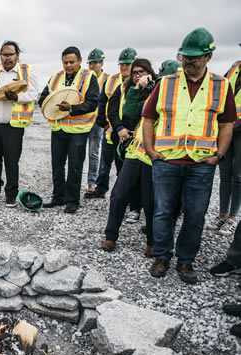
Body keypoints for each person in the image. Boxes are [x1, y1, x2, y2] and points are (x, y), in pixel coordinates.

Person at [143, 28, 237, 284]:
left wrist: (219, 154)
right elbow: (149, 118)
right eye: (185, 56)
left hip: (201, 164)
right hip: (167, 161)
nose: (188, 61)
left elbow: (227, 123)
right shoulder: (166, 83)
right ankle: (162, 257)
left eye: (194, 57)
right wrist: (151, 151)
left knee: (195, 215)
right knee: (162, 212)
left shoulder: (221, 85)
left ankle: (186, 261)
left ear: (208, 56)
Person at [101, 59, 159, 255]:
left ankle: (152, 241)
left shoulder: (159, 88)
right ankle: (110, 237)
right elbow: (125, 111)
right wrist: (136, 90)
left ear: (150, 72)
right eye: (134, 72)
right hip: (133, 148)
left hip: (153, 153)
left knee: (150, 199)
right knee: (118, 193)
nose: (137, 75)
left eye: (141, 72)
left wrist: (149, 88)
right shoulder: (126, 88)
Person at [39, 46, 99, 214]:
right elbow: (43, 98)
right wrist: (49, 108)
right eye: (65, 62)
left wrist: (71, 108)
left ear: (79, 61)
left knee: (75, 166)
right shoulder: (55, 77)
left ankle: (72, 200)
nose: (69, 65)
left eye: (72, 62)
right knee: (57, 165)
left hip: (78, 130)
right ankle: (58, 197)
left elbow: (92, 103)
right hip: (58, 128)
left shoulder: (89, 77)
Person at [0, 41, 39, 207]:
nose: (7, 58)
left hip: (13, 125)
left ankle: (11, 193)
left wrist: (16, 97)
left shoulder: (27, 71)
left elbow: (34, 94)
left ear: (17, 56)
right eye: (4, 54)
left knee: (11, 160)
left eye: (10, 54)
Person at [85, 47, 137, 201]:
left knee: (125, 167)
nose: (124, 67)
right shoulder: (112, 80)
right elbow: (102, 103)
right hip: (110, 131)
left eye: (127, 64)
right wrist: (104, 124)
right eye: (122, 64)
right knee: (104, 163)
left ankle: (126, 195)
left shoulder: (139, 82)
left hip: (128, 133)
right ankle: (100, 189)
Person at [205, 55, 241, 236]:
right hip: (229, 126)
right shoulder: (235, 67)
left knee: (239, 175)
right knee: (225, 173)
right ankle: (222, 215)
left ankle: (233, 218)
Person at [86, 48, 108, 194]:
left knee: (94, 152)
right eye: (91, 63)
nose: (92, 66)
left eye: (95, 63)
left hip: (97, 121)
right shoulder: (85, 77)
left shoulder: (108, 79)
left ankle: (92, 182)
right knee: (79, 152)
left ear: (102, 63)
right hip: (83, 119)